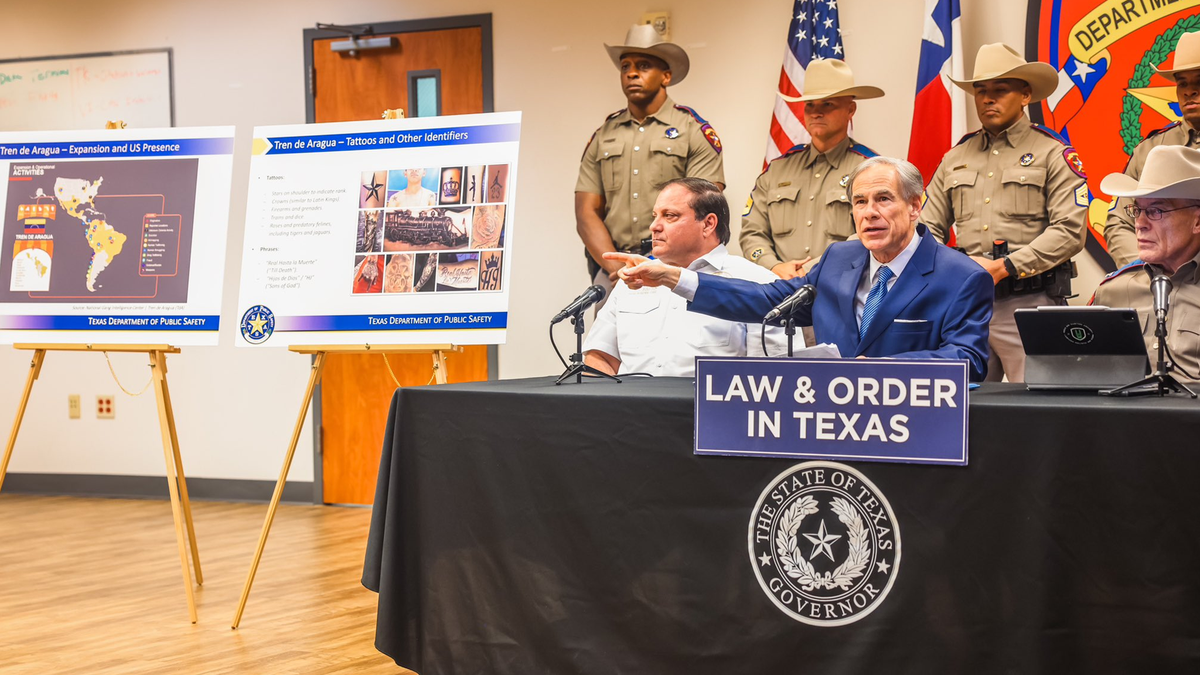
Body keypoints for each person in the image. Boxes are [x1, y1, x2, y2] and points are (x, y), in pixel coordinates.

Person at [607, 157, 994, 382]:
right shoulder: (839, 258)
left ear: (914, 206)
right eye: (859, 202)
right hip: (829, 423)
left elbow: (967, 360)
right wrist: (673, 278)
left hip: (912, 427)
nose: (869, 212)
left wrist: (880, 370)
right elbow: (766, 300)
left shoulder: (959, 276)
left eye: (883, 199)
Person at [921, 43, 1087, 382]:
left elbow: (1069, 231)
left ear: (1025, 95)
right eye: (981, 91)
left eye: (1000, 90)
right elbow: (927, 227)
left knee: (1039, 405)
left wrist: (1004, 267)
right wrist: (948, 272)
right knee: (964, 411)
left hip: (1028, 304)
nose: (987, 99)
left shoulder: (1052, 153)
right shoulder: (956, 157)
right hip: (965, 306)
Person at [575, 24, 725, 297]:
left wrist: (662, 266)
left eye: (643, 65)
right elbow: (586, 212)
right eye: (625, 67)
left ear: (666, 76)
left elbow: (705, 210)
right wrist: (618, 267)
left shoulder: (693, 130)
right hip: (616, 268)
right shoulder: (603, 134)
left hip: (677, 266)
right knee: (604, 339)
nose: (631, 72)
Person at [583, 178, 787, 377]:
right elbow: (600, 356)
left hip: (709, 409)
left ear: (708, 224)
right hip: (633, 408)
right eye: (655, 216)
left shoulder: (756, 281)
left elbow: (772, 374)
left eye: (669, 215)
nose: (654, 226)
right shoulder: (633, 279)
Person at [740, 59, 883, 279]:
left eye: (827, 104)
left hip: (844, 288)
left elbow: (873, 233)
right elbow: (752, 232)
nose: (816, 113)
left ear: (850, 110)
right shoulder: (778, 170)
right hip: (779, 286)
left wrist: (809, 270)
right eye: (810, 105)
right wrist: (773, 266)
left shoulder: (871, 170)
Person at [1091, 145, 1200, 384]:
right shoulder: (1112, 291)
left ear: (1197, 222)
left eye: (1157, 211)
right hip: (1126, 420)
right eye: (1137, 210)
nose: (1139, 224)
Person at [1106, 31, 1200, 267]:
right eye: (1183, 84)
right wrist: (1147, 270)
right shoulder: (1150, 150)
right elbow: (1118, 222)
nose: (1189, 91)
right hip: (1159, 287)